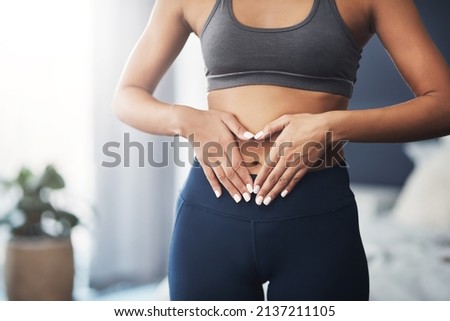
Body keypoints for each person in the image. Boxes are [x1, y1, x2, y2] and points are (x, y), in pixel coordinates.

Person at [112, 0, 450, 300]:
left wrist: (329, 126)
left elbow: (443, 105)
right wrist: (187, 120)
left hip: (316, 219)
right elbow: (127, 94)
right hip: (210, 214)